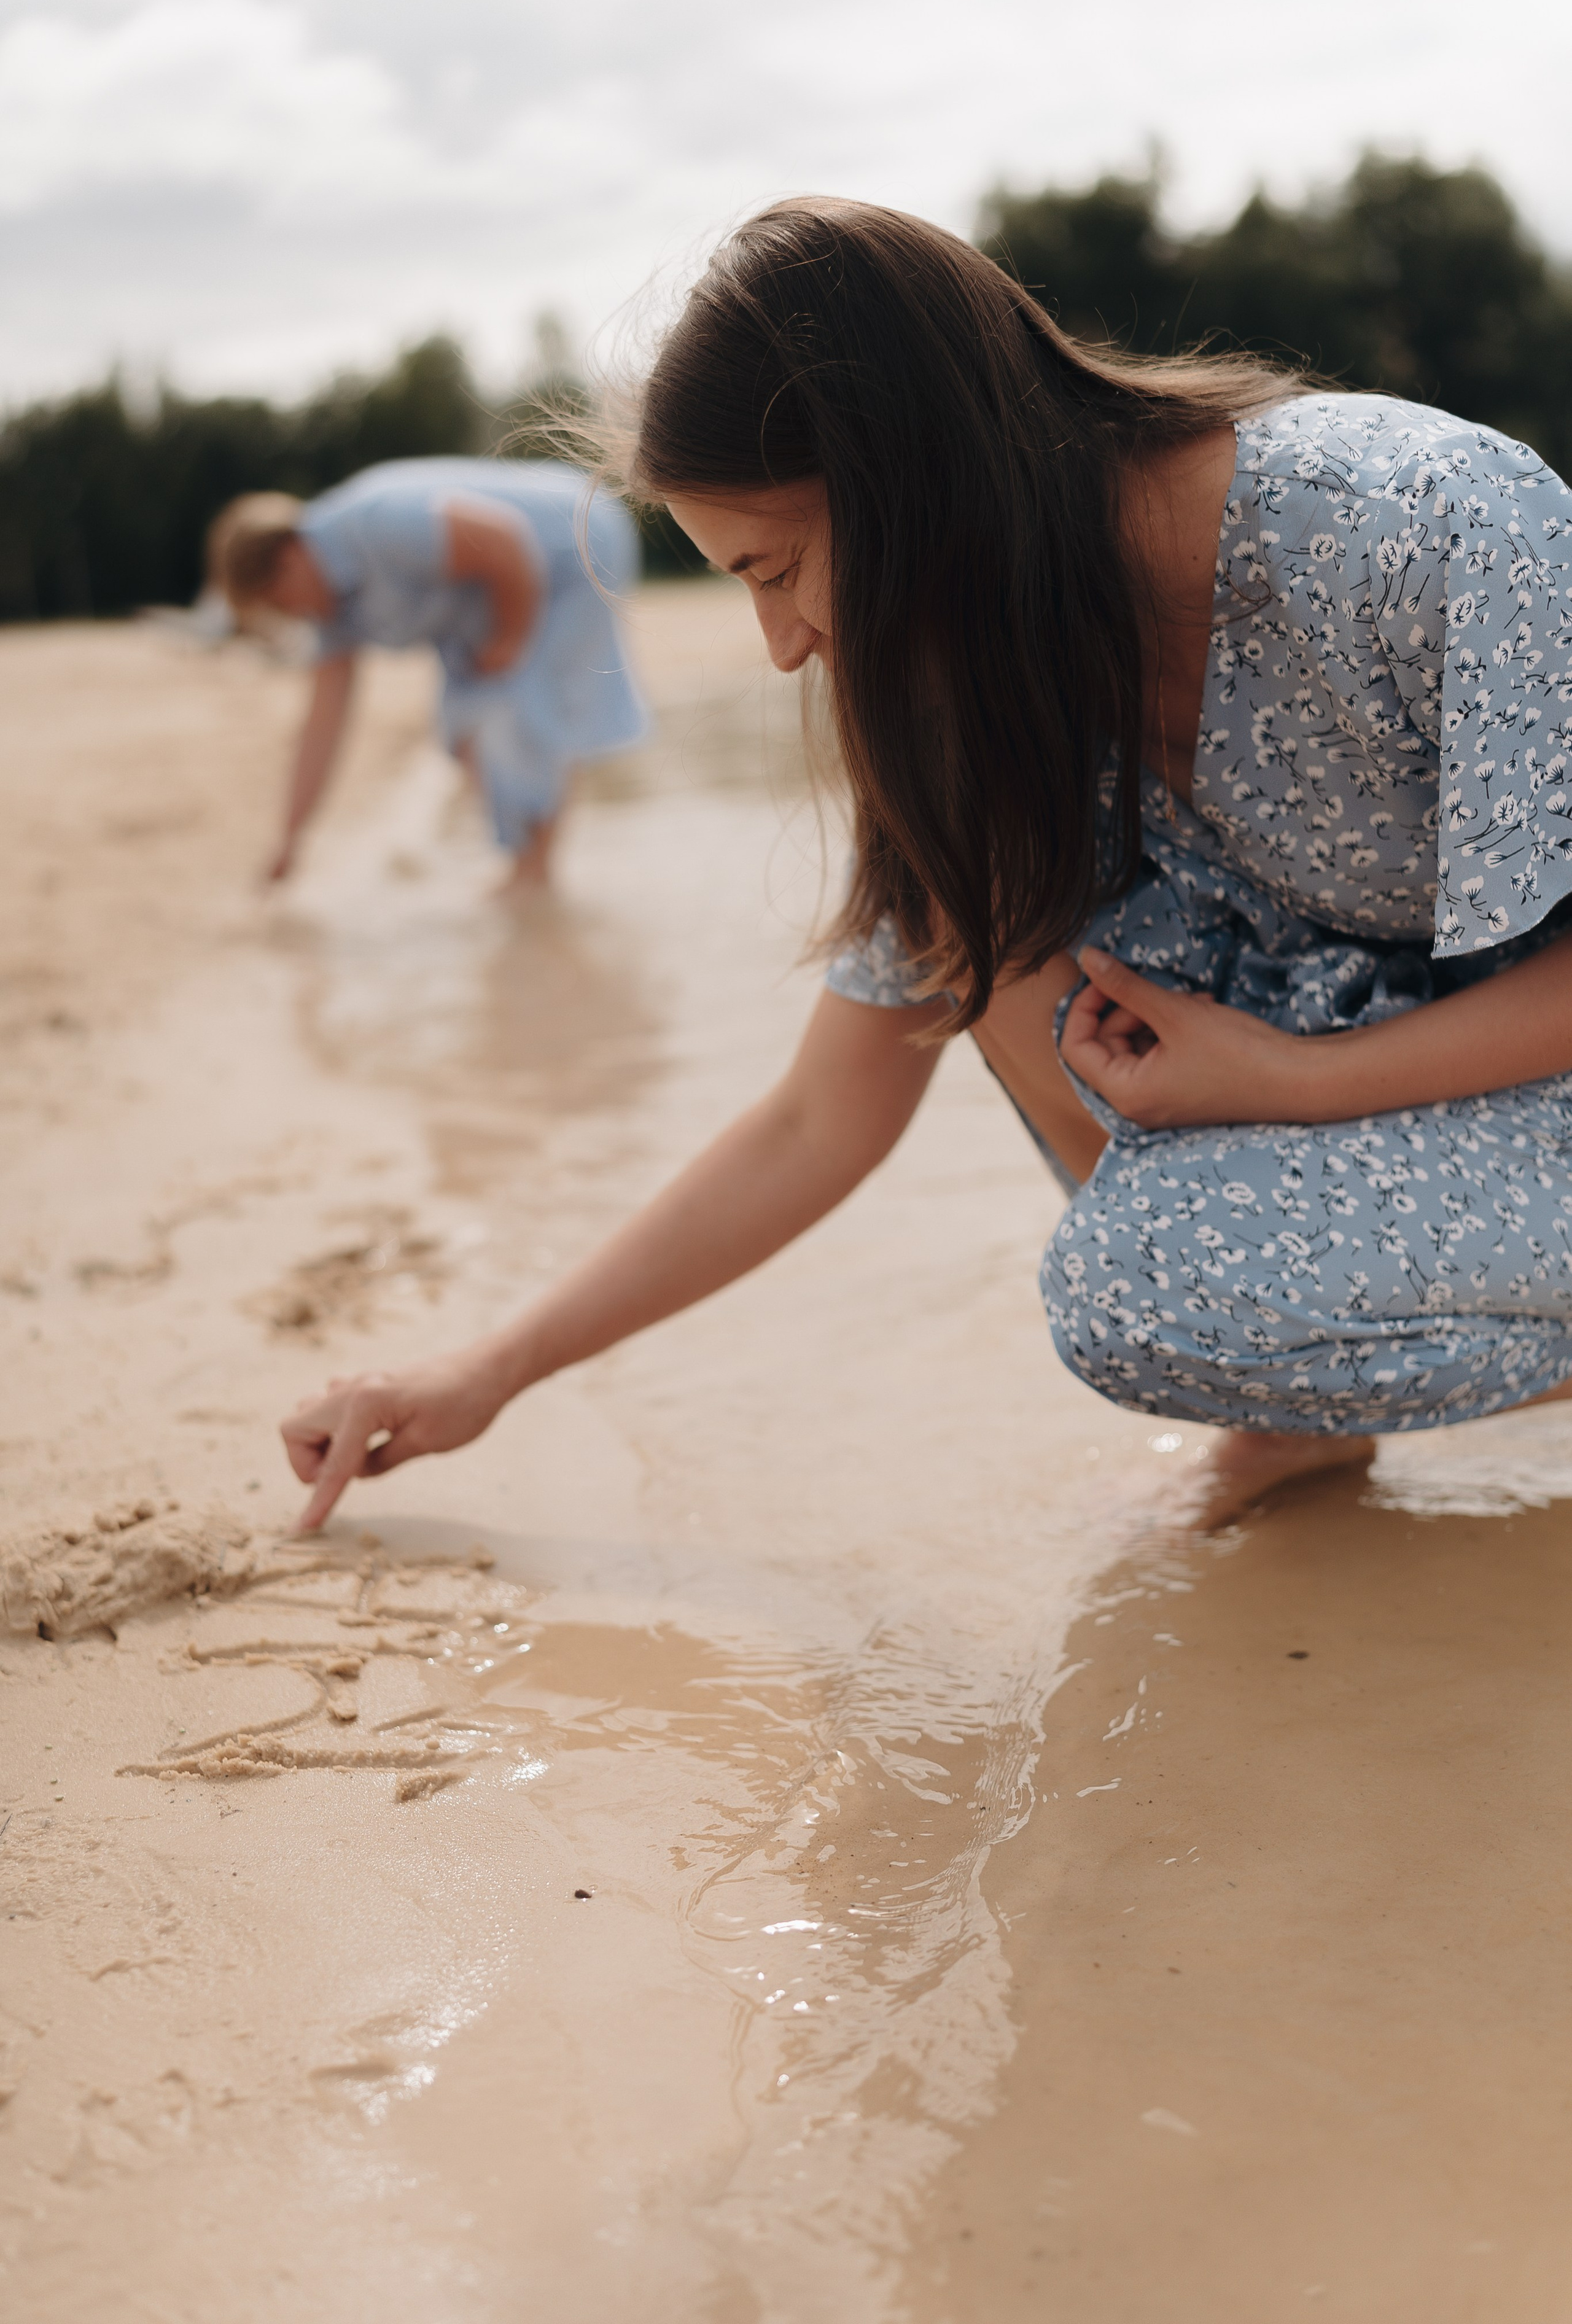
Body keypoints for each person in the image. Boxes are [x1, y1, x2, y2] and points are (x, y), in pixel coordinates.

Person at [279, 196, 1572, 1536]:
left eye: (774, 570)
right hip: (1435, 1097)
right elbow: (815, 1116)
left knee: (1141, 1280)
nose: (779, 644)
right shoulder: (988, 685)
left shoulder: (1413, 527)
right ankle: (1292, 1415)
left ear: (910, 480)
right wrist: (487, 1372)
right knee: (992, 950)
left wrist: (1300, 1084)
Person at [209, 458, 648, 888]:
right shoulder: (330, 610)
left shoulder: (378, 522)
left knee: (526, 714)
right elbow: (323, 726)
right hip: (495, 593)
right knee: (463, 729)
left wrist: (511, 639)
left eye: (281, 604)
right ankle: (523, 868)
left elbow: (504, 539)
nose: (294, 616)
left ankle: (533, 877)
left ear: (288, 558)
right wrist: (291, 839)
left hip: (574, 543)